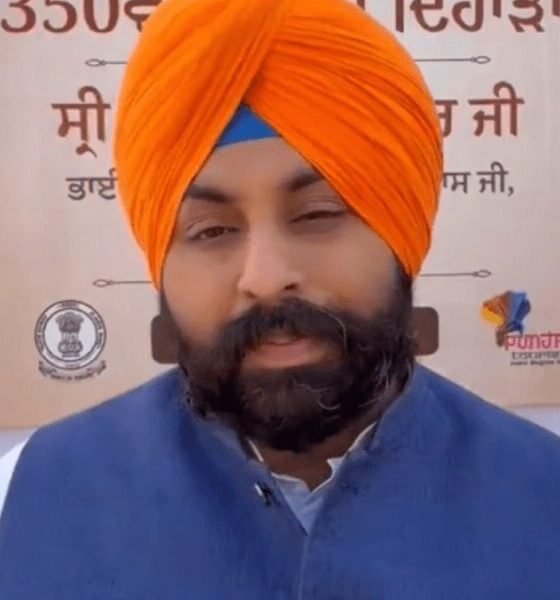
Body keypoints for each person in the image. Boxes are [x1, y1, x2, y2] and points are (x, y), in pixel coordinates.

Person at [1, 0, 559, 597]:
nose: (265, 278)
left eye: (317, 215)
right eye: (212, 231)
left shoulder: (543, 495)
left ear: (403, 232)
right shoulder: (26, 496)